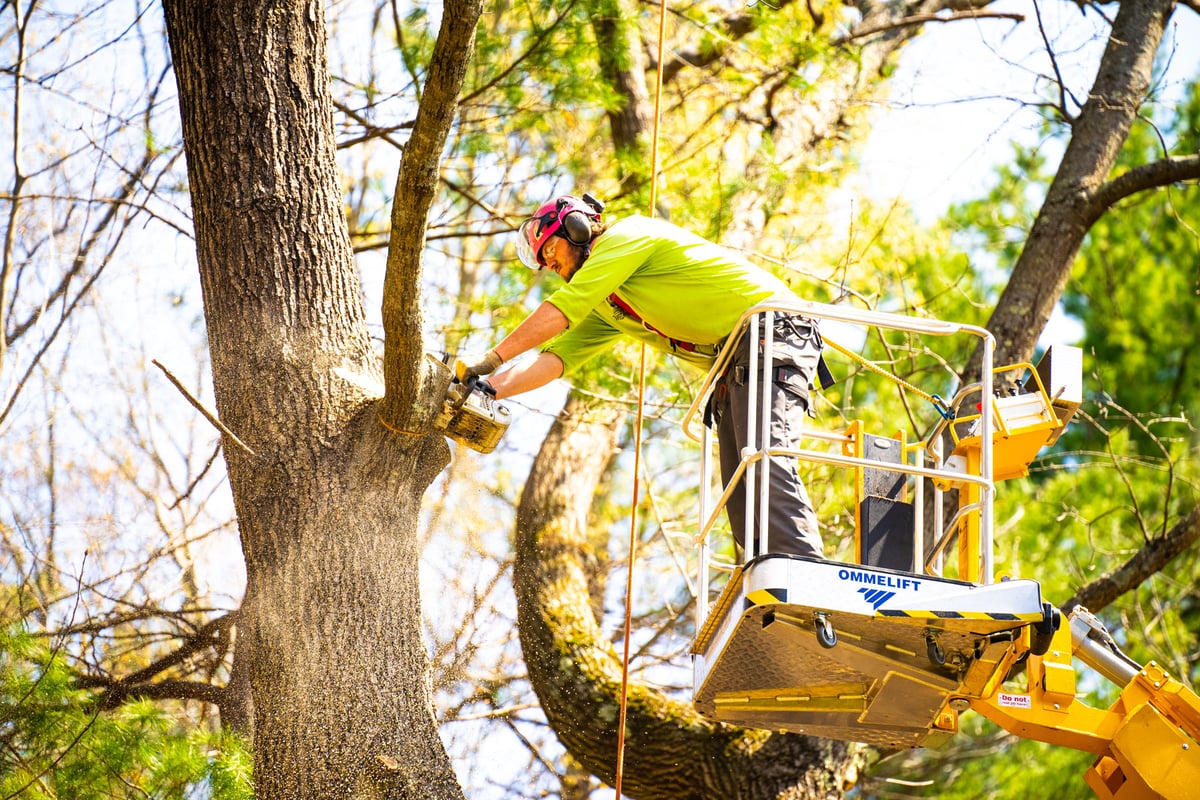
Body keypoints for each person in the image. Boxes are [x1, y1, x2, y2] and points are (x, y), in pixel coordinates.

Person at [463, 194, 825, 559]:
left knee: (763, 460)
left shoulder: (627, 236)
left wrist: (491, 357)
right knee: (741, 493)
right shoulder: (609, 302)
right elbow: (555, 359)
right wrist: (486, 389)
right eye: (543, 262)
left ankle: (806, 568)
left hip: (774, 331)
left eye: (550, 250)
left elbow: (561, 310)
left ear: (577, 228)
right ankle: (771, 577)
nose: (550, 264)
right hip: (736, 358)